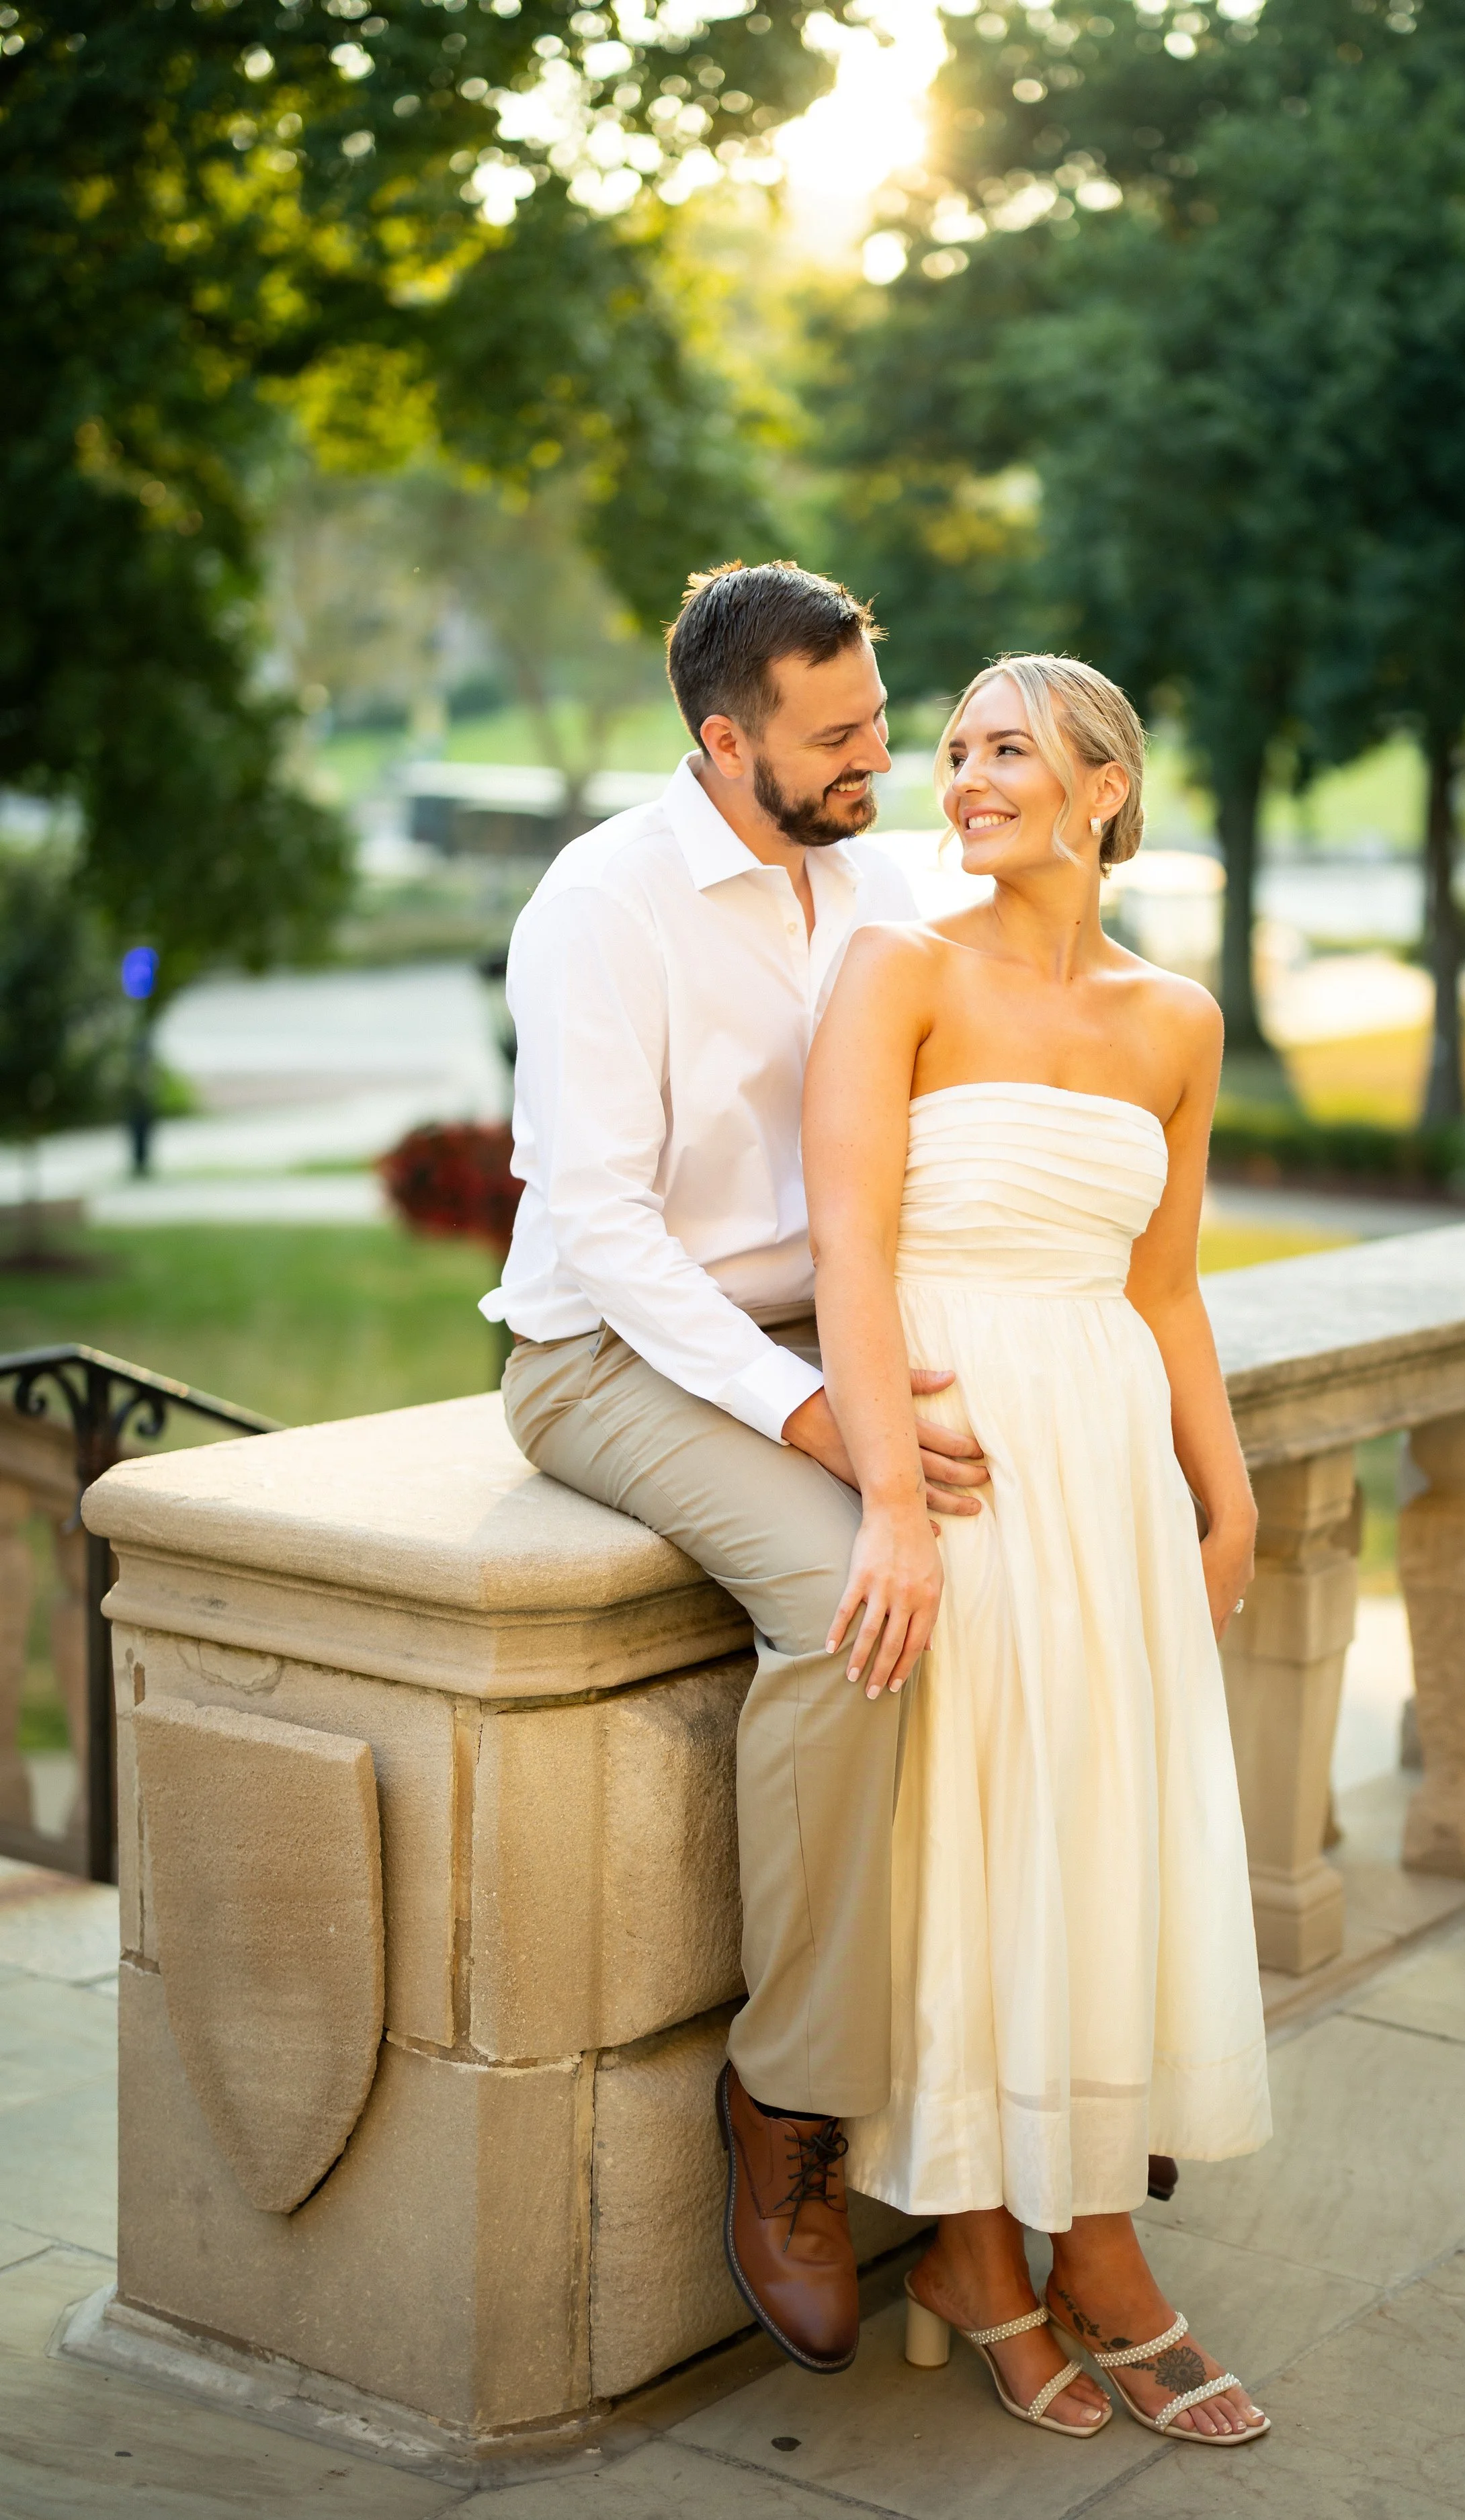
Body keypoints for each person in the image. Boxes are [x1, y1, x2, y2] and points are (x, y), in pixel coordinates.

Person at [489, 560, 989, 2378]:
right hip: (607, 1354)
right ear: (723, 739)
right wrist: (824, 1428)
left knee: (1028, 1548)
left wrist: (905, 1376)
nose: (882, 755)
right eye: (839, 733)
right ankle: (783, 2105)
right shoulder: (601, 902)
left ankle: (1002, 2061)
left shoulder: (881, 871)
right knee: (847, 1595)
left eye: (879, 713)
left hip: (824, 1331)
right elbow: (601, 1227)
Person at [802, 653, 1273, 2445]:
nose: (966, 776)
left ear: (1099, 782)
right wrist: (895, 1504)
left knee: (1101, 1834)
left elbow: (1161, 1287)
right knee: (976, 1839)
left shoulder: (1177, 1020)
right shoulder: (898, 967)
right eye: (954, 749)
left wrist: (1221, 1496)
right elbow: (848, 1245)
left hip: (1109, 1461)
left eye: (1006, 748)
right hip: (964, 1447)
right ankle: (979, 2251)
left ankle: (1095, 2237)